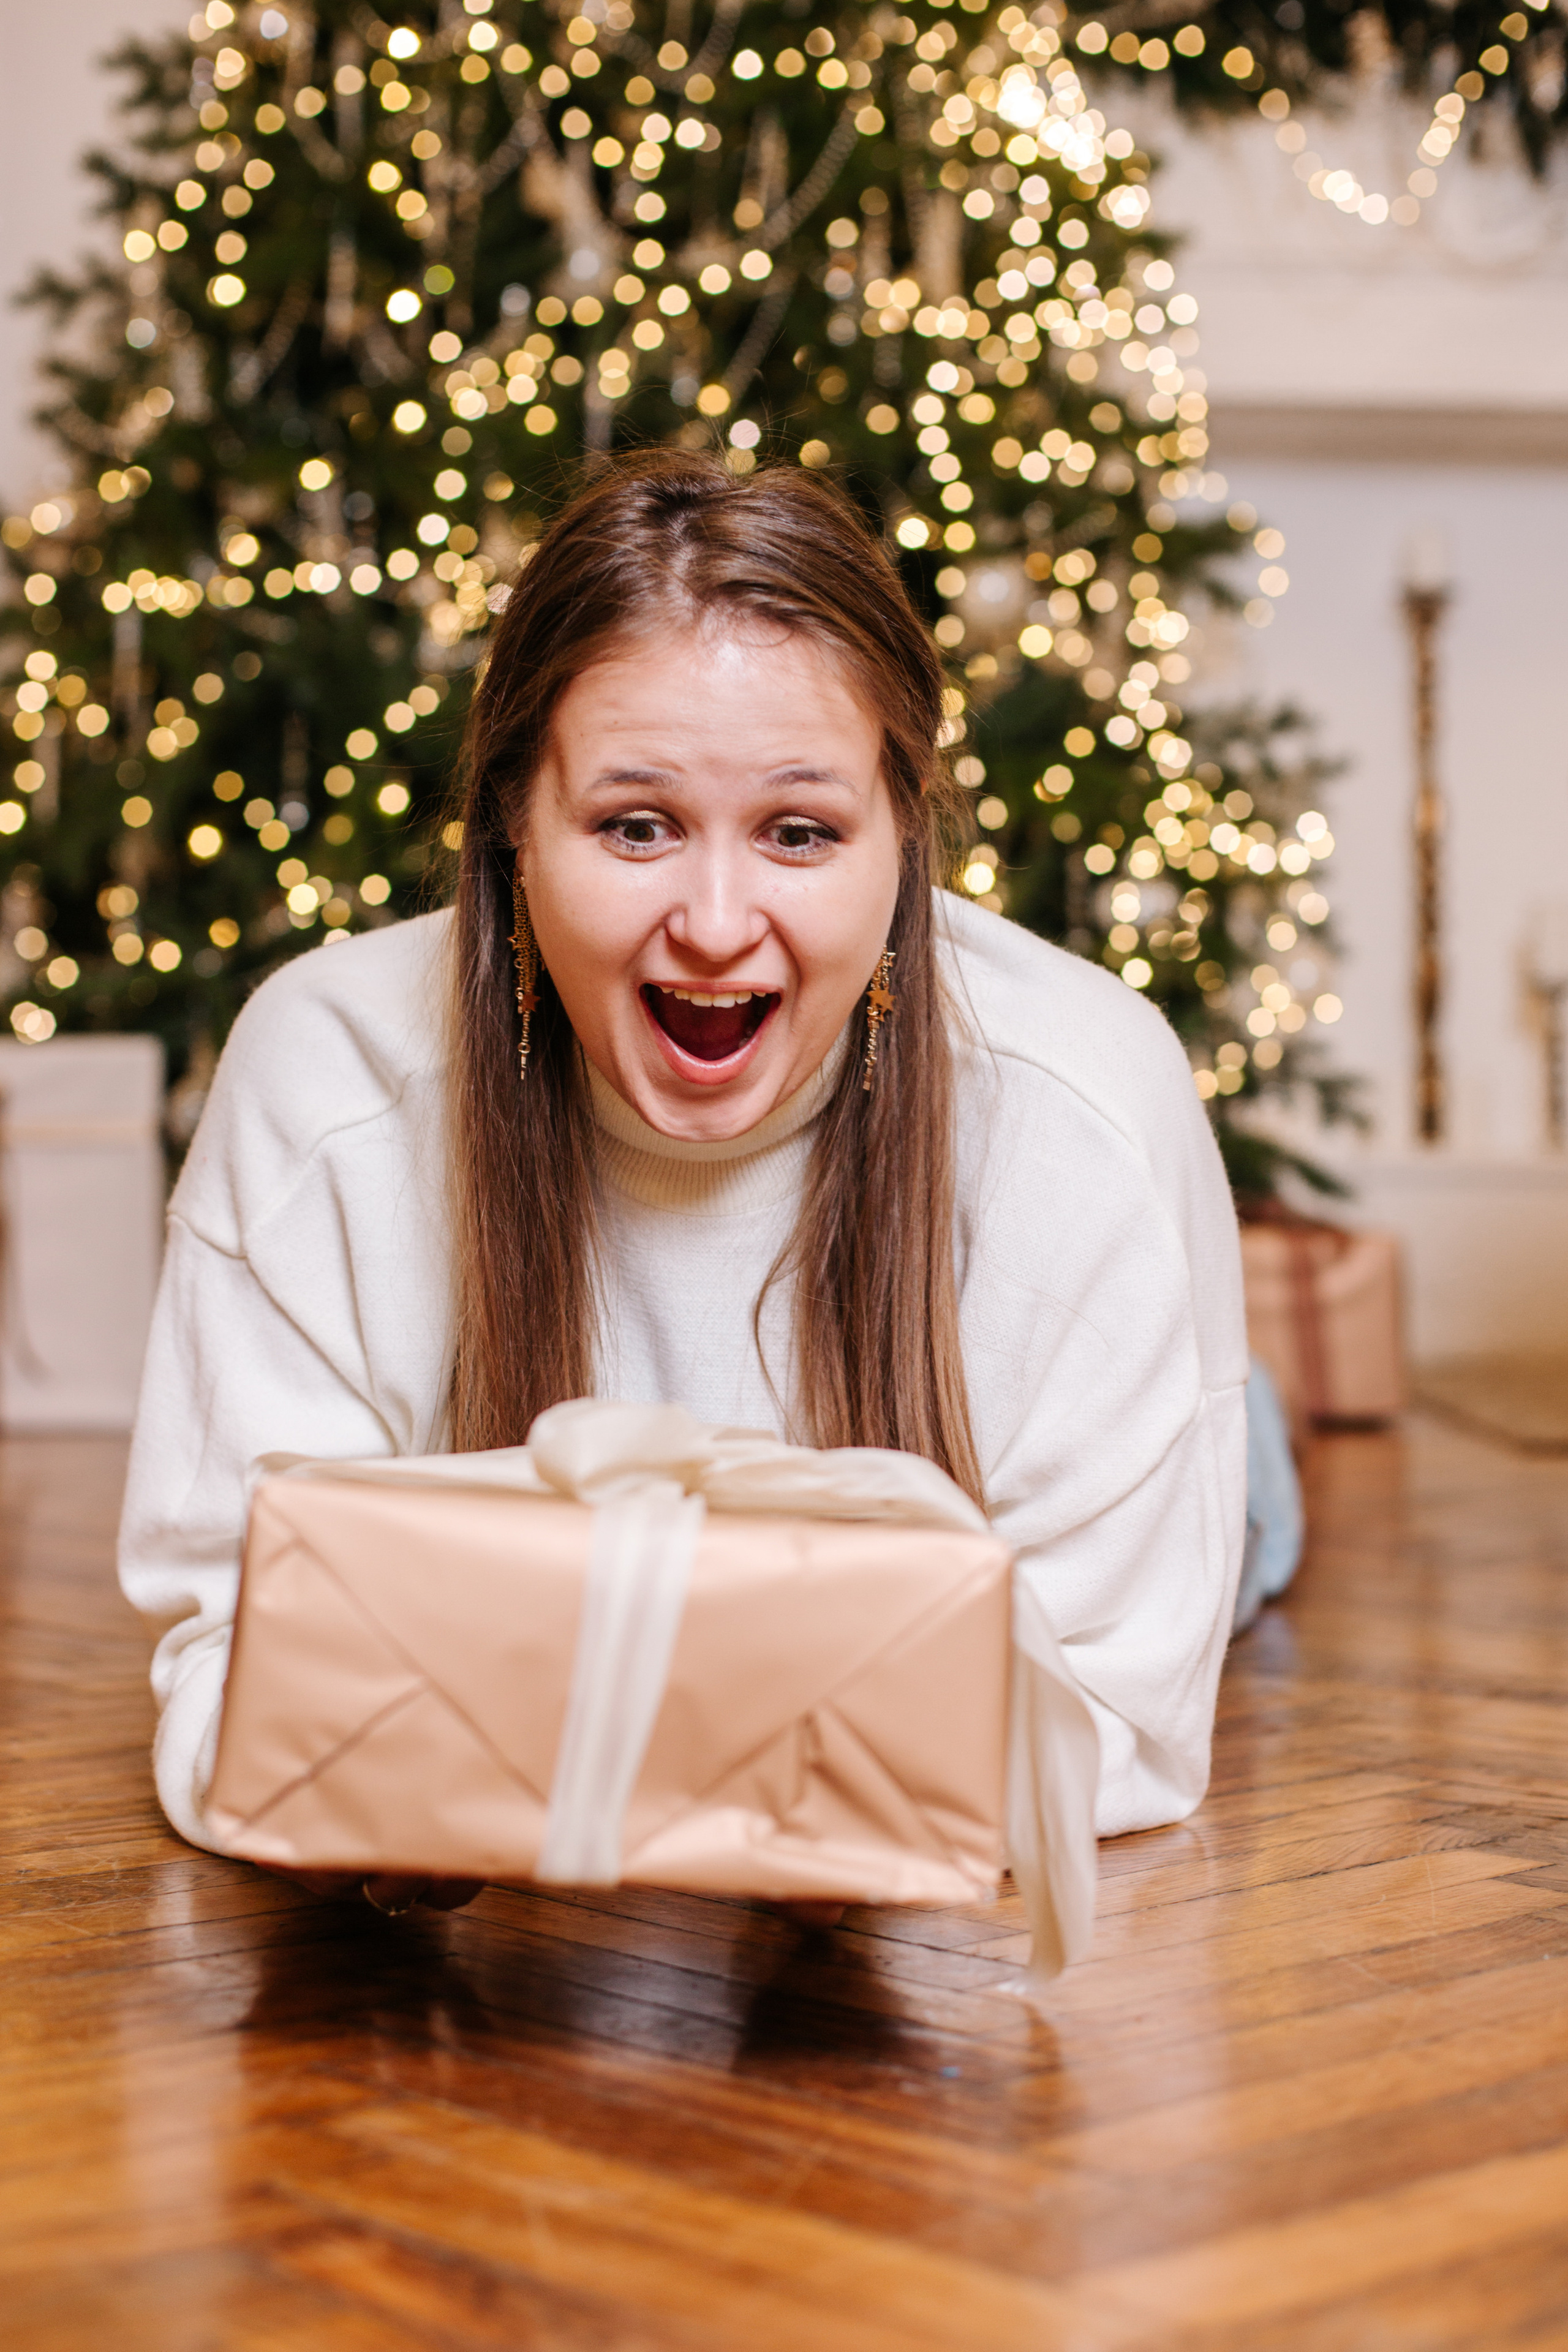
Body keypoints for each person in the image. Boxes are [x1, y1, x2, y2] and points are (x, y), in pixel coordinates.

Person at [118, 452, 1248, 1913]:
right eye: (635, 825)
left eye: (800, 831)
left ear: (904, 843)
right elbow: (229, 1688)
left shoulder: (1088, 1109)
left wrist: (543, 1745)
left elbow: (1119, 1726)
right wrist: (755, 1739)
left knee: (1255, 1523)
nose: (714, 926)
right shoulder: (325, 1083)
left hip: (1122, 1411)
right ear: (513, 823)